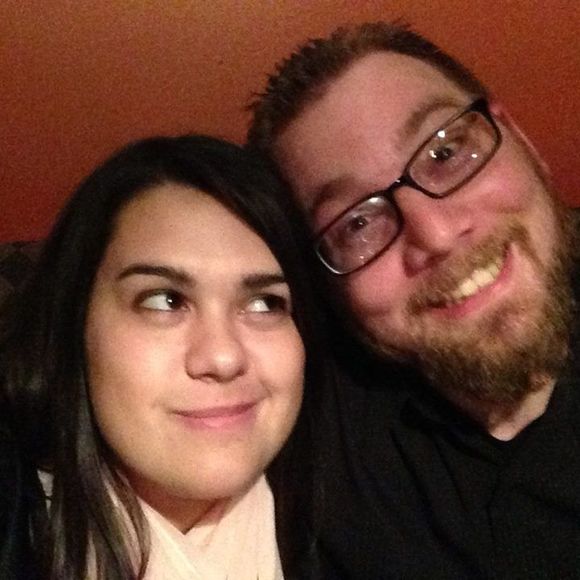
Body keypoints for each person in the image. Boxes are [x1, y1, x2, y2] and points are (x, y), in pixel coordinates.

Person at [248, 21, 580, 578]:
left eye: (445, 152)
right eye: (356, 223)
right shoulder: (301, 442)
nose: (436, 235)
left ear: (519, 140)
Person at [0, 135, 328, 579]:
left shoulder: (359, 520)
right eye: (164, 301)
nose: (223, 357)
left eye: (264, 303)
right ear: (74, 325)